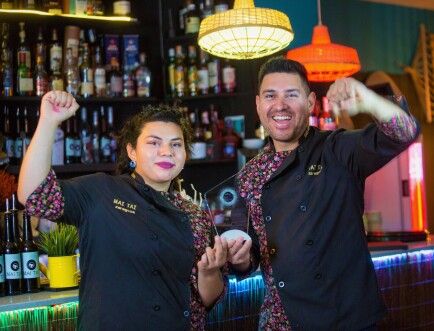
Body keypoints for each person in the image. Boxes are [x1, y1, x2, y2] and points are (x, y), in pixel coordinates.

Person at [232, 58, 420, 330]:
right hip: (279, 322)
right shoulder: (249, 174)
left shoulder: (337, 150)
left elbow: (404, 133)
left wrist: (368, 100)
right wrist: (240, 259)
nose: (280, 105)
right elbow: (248, 253)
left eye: (291, 95)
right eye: (271, 96)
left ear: (309, 103)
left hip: (343, 319)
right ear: (259, 105)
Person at [17, 91, 228, 330]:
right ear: (131, 151)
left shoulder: (195, 215)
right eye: (154, 142)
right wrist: (48, 121)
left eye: (176, 144)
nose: (166, 152)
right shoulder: (101, 191)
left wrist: (210, 273)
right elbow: (34, 196)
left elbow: (207, 300)